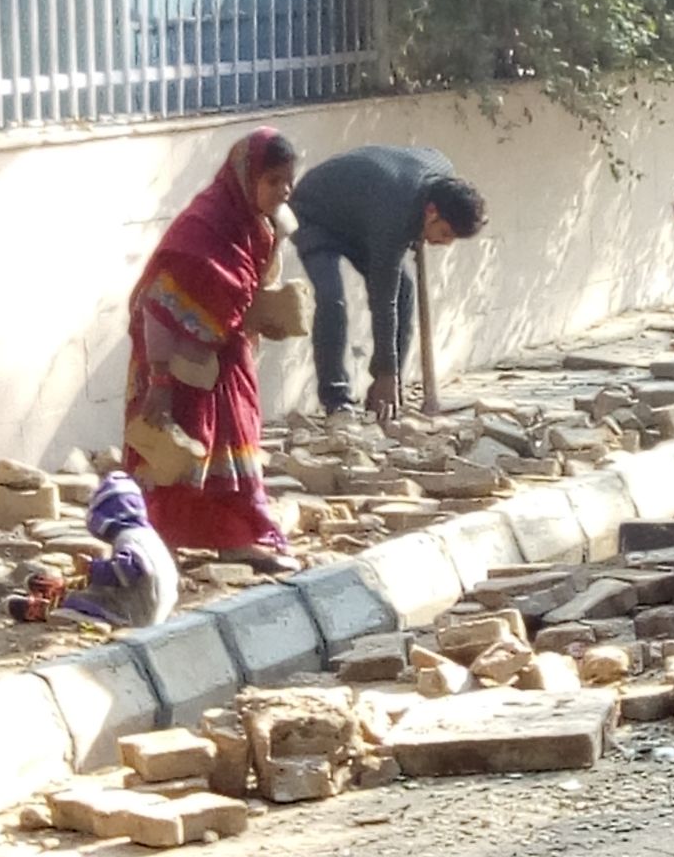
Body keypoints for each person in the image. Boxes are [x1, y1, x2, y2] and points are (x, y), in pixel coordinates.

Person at [124, 126, 300, 572]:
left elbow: (248, 292)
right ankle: (156, 542)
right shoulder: (202, 228)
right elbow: (158, 304)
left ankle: (235, 538)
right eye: (273, 180)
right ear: (246, 177)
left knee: (236, 442)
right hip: (177, 364)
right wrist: (161, 384)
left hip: (226, 359)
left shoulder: (257, 227)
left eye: (288, 180)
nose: (284, 190)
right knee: (176, 451)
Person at [290, 145, 487, 420]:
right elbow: (383, 300)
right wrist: (386, 372)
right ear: (431, 212)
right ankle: (337, 402)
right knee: (331, 297)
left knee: (406, 291)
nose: (444, 243)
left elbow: (395, 294)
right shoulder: (395, 215)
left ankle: (387, 390)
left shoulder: (443, 178)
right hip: (314, 214)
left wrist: (390, 374)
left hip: (362, 218)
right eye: (444, 233)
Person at [52, 471, 179, 629]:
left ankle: (50, 607)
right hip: (162, 606)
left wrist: (93, 568)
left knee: (77, 600)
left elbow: (125, 572)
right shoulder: (149, 536)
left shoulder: (127, 538)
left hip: (140, 611)